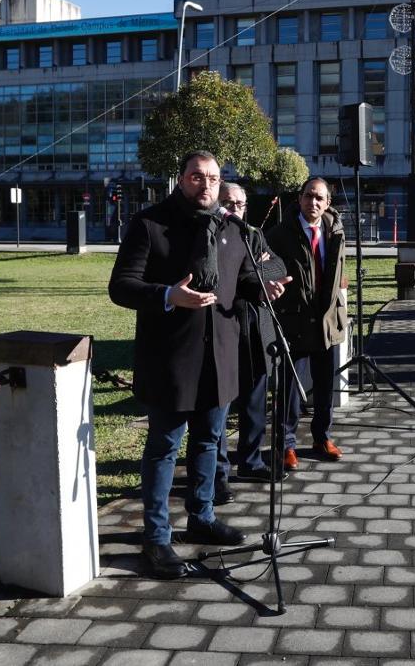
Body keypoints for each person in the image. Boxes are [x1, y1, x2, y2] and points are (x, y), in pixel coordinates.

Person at [109, 151, 290, 579]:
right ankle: (156, 537)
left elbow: (243, 279)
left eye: (212, 178)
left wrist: (266, 287)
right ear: (180, 179)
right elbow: (121, 286)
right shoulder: (150, 224)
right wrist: (170, 296)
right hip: (171, 359)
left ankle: (202, 517)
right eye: (196, 177)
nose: (205, 185)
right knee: (164, 448)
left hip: (220, 358)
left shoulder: (233, 229)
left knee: (210, 442)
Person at [266, 177, 349, 471]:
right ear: (299, 198)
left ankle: (322, 438)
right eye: (308, 196)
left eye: (319, 198)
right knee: (289, 388)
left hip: (327, 320)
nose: (313, 203)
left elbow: (337, 268)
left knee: (325, 383)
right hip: (295, 320)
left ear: (327, 203)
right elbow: (269, 275)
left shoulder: (336, 231)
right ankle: (286, 444)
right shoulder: (278, 234)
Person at [211, 183, 286, 506]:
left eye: (240, 203)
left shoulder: (252, 233)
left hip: (258, 333)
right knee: (219, 409)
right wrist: (255, 274)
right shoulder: (212, 234)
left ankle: (251, 461)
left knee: (255, 404)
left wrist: (259, 268)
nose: (236, 207)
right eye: (228, 201)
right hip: (226, 332)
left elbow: (278, 266)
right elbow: (220, 278)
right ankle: (217, 476)